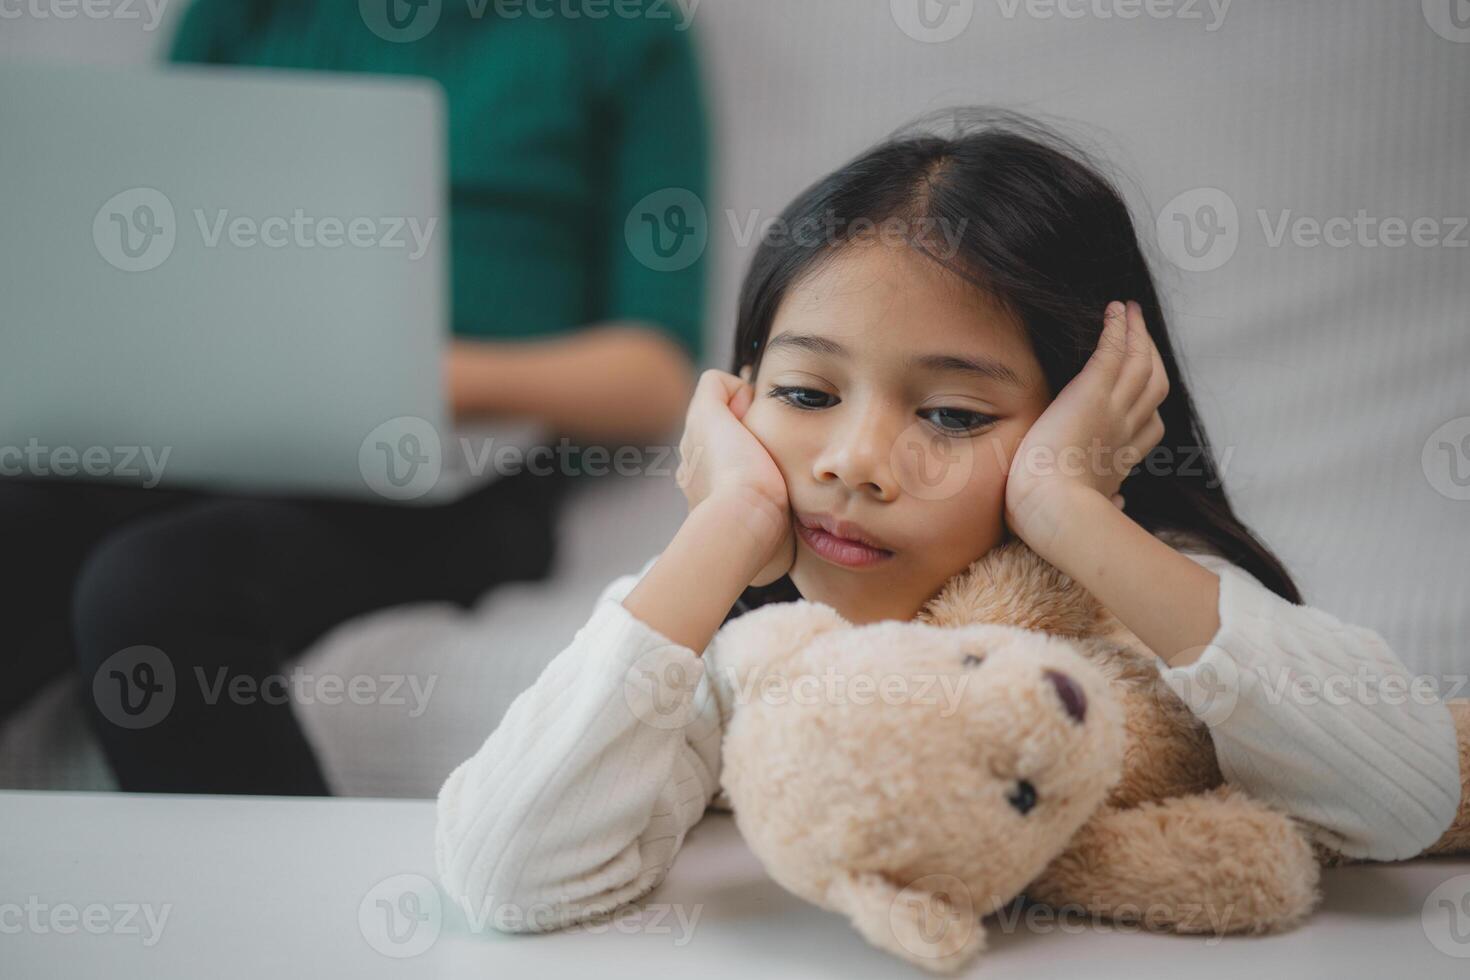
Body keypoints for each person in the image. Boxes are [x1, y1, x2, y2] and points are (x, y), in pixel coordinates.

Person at [433, 110, 1463, 932]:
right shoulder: (735, 631)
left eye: (954, 414)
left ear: (1081, 417)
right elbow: (506, 872)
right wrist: (727, 521)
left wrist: (1072, 511)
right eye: (803, 393)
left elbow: (1407, 793)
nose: (856, 462)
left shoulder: (1136, 610)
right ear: (739, 398)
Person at [0, 0, 708, 795]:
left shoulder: (622, 30)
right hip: (214, 424)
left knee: (155, 589)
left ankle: (281, 917)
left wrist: (418, 375)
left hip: (457, 469)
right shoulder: (237, 16)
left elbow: (656, 375)